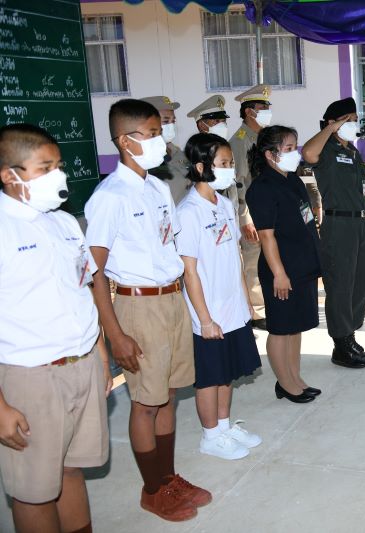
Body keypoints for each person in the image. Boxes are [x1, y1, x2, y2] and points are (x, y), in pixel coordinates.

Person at [85, 99, 210, 522]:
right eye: (152, 133)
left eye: (160, 132)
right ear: (125, 141)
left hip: (171, 299)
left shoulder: (157, 187)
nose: (162, 140)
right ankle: (153, 490)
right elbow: (95, 273)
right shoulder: (109, 197)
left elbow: (166, 244)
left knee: (168, 395)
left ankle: (168, 477)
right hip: (138, 306)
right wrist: (115, 334)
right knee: (145, 402)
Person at [0, 124, 111, 533]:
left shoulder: (64, 222)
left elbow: (84, 289)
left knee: (70, 470)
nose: (58, 175)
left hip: (82, 364)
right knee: (34, 490)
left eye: (58, 166)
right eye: (44, 168)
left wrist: (100, 354)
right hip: (32, 377)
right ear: (9, 175)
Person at [176, 133, 263, 460]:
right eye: (223, 163)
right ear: (201, 167)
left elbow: (235, 257)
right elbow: (190, 271)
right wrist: (205, 319)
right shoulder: (188, 212)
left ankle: (224, 427)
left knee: (228, 372)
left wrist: (246, 302)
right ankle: (210, 436)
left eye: (231, 163)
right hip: (208, 311)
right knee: (209, 377)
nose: (230, 169)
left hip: (232, 306)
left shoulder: (225, 205)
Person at [246, 126, 322, 402]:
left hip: (302, 265)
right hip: (282, 269)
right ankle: (285, 383)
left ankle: (294, 378)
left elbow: (306, 220)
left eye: (294, 147)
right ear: (270, 154)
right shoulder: (262, 188)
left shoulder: (293, 181)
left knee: (296, 325)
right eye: (288, 148)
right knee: (281, 328)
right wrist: (279, 273)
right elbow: (267, 236)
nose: (295, 153)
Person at [302, 97, 365, 369]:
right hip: (339, 224)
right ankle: (340, 344)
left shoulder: (353, 152)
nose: (354, 124)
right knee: (340, 285)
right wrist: (330, 129)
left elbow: (362, 192)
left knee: (359, 285)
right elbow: (307, 154)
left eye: (355, 119)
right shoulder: (326, 149)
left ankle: (350, 337)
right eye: (349, 119)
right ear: (333, 123)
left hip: (360, 223)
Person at [229, 84, 273, 331]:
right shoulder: (240, 142)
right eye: (262, 107)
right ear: (249, 112)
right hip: (252, 213)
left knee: (269, 259)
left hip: (268, 209)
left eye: (268, 106)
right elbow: (238, 183)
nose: (267, 111)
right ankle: (257, 312)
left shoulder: (263, 138)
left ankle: (269, 304)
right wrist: (245, 218)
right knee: (253, 262)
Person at [143, 96, 191, 204]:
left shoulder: (178, 153)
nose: (171, 125)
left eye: (173, 121)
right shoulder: (142, 160)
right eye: (165, 121)